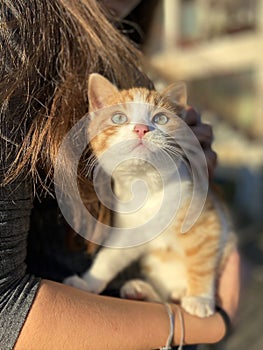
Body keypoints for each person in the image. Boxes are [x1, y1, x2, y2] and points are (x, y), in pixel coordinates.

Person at [0, 1, 239, 349]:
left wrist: (194, 167)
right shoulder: (17, 30)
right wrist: (211, 326)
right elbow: (7, 311)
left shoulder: (118, 46)